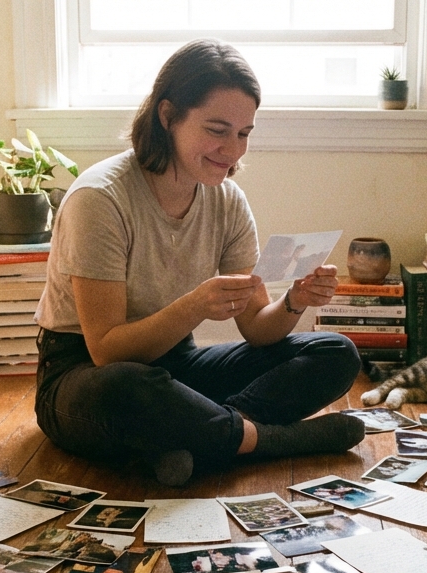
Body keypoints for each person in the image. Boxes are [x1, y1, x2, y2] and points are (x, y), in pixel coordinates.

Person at [34, 38, 364, 487]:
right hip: (85, 374)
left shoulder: (227, 200)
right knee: (128, 388)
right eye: (217, 130)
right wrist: (194, 306)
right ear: (168, 115)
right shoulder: (100, 199)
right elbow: (106, 352)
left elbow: (256, 329)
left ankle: (202, 436)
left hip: (176, 367)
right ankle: (271, 441)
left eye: (244, 133)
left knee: (335, 353)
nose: (233, 150)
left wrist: (294, 302)